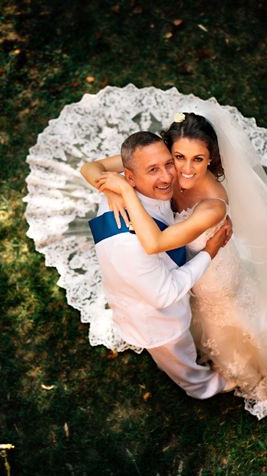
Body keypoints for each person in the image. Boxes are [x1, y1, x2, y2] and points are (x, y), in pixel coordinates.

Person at [81, 103, 267, 419]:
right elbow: (91, 167)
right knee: (196, 311)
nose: (182, 170)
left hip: (216, 276)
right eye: (177, 158)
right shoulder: (163, 160)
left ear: (212, 159)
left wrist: (125, 193)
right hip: (185, 264)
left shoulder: (212, 204)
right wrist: (111, 190)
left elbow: (155, 243)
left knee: (230, 316)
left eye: (197, 160)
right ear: (168, 149)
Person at [86, 130, 234, 399]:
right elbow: (165, 293)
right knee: (180, 356)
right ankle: (203, 387)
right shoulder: (128, 245)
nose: (167, 177)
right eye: (153, 170)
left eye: (168, 164)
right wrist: (209, 252)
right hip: (156, 319)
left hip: (154, 274)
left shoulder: (125, 191)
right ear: (129, 178)